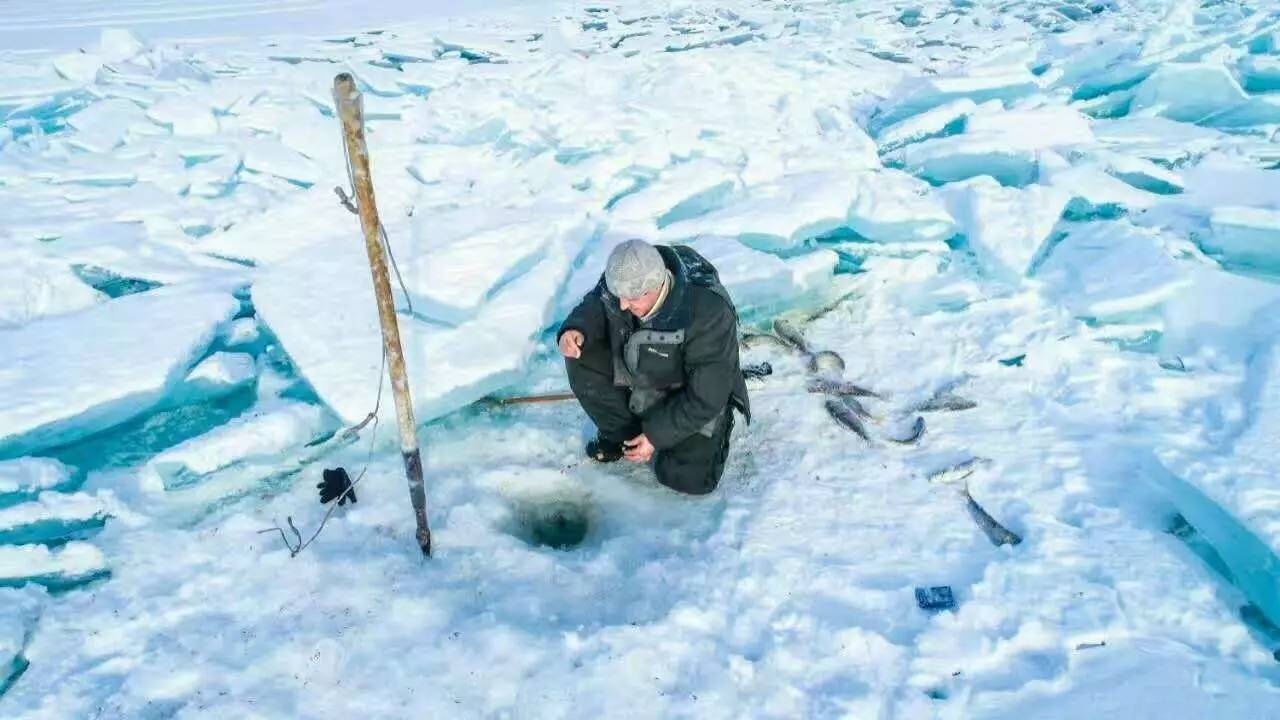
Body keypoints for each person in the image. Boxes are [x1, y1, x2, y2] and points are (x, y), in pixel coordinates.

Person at [557, 239, 750, 495]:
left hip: (690, 391)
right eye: (620, 297)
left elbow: (707, 397)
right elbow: (597, 303)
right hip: (643, 367)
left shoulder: (708, 313)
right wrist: (575, 328)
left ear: (656, 286)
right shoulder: (625, 279)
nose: (623, 305)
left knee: (688, 479)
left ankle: (685, 439)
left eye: (632, 299)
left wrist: (655, 437)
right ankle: (624, 435)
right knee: (581, 353)